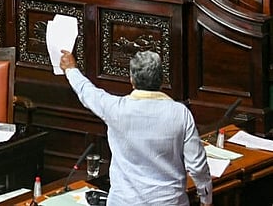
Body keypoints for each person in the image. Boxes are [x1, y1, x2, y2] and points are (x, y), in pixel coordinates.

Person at [60, 49, 212, 206]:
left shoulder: (116, 109)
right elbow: (197, 166)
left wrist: (71, 69)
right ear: (161, 79)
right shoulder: (180, 113)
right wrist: (206, 199)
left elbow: (87, 92)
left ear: (132, 80)